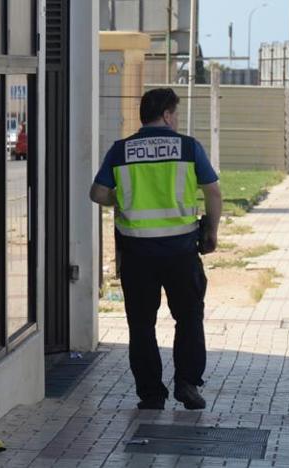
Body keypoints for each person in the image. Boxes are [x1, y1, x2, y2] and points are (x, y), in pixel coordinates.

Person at [89, 88, 222, 411]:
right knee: (189, 318)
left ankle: (150, 394)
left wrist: (122, 200)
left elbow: (97, 193)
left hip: (137, 254)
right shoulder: (188, 148)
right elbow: (213, 193)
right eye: (175, 113)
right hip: (181, 251)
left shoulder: (121, 151)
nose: (176, 120)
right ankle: (187, 385)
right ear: (166, 114)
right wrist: (212, 233)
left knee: (141, 324)